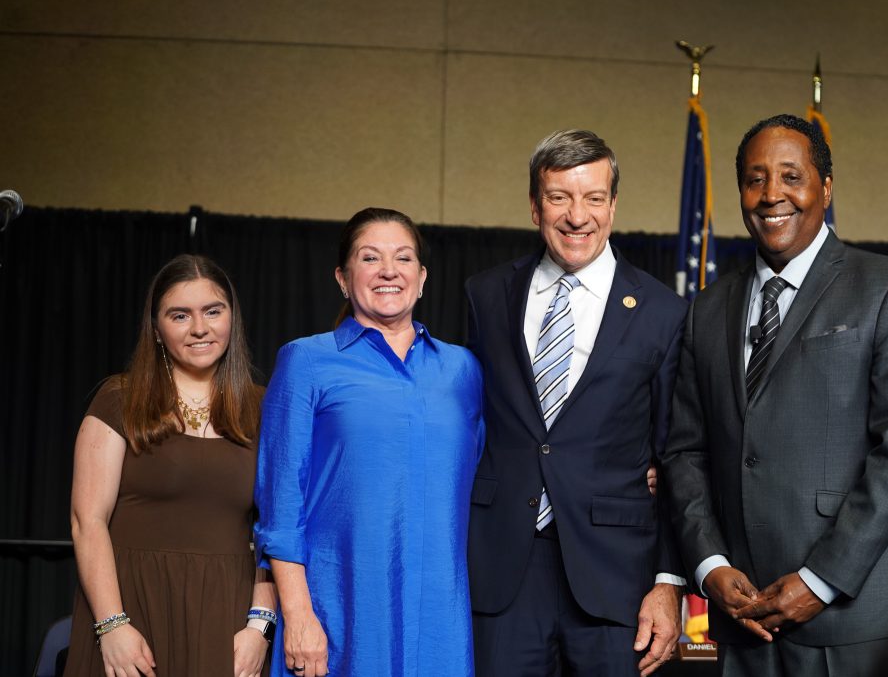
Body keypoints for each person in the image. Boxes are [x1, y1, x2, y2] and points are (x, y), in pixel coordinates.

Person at [662, 114, 888, 676]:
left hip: (856, 622)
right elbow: (686, 452)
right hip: (742, 625)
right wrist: (710, 565)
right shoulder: (706, 309)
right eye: (755, 179)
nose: (772, 194)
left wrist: (821, 580)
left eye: (791, 176)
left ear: (826, 188)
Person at [465, 129, 687, 676]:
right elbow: (465, 423)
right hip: (503, 567)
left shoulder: (664, 312)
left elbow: (679, 456)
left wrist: (668, 581)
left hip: (617, 576)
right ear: (534, 205)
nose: (577, 216)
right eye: (559, 197)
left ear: (613, 205)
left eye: (593, 198)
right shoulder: (484, 295)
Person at [254, 207, 484, 677]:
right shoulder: (306, 361)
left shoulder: (463, 370)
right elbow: (280, 507)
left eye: (403, 258)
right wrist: (298, 616)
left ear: (422, 278)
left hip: (439, 616)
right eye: (370, 257)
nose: (388, 271)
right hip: (337, 612)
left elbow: (487, 476)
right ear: (342, 278)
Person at [65, 254, 275, 677]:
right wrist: (112, 625)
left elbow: (278, 530)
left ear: (232, 318)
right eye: (180, 315)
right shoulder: (120, 399)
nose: (200, 328)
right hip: (131, 612)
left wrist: (260, 626)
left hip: (227, 615)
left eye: (213, 311)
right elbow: (87, 521)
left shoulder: (265, 406)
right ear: (157, 329)